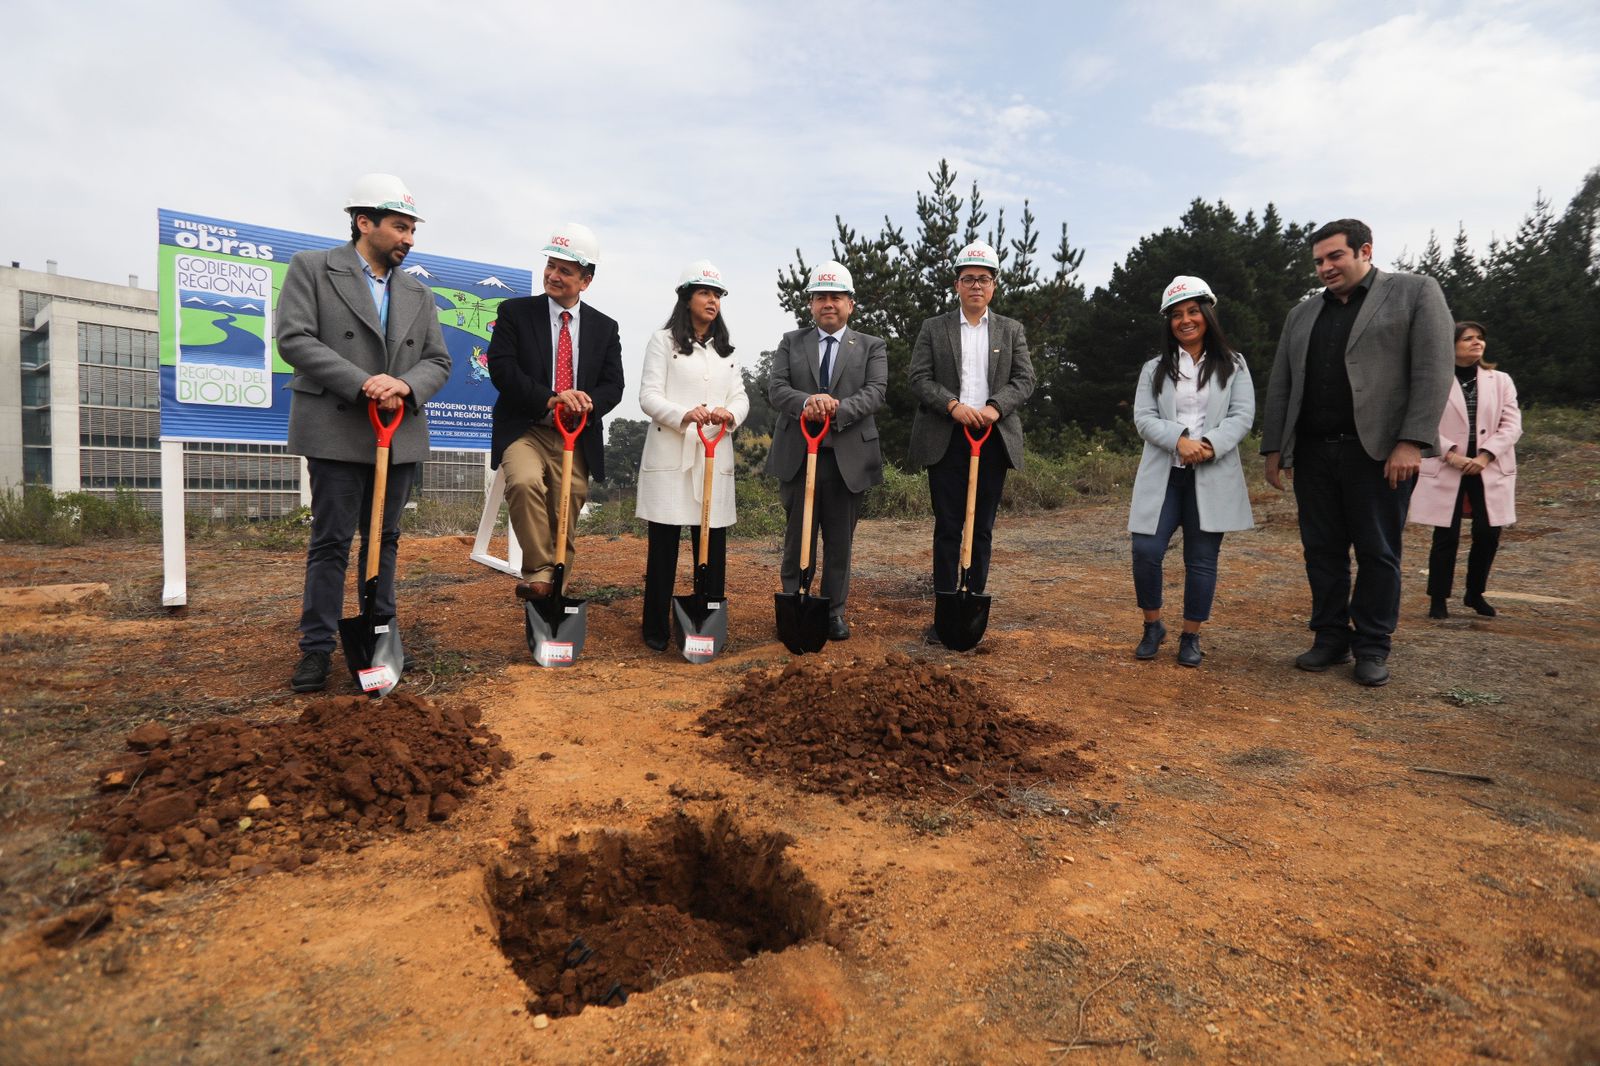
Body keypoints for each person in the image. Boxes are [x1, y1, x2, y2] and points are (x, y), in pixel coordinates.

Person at [276, 174, 453, 693]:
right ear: (364, 222)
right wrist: (364, 384)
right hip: (336, 425)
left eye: (412, 230)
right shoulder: (313, 268)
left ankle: (379, 637)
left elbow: (438, 360)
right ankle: (316, 648)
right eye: (400, 228)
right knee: (331, 540)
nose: (409, 239)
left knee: (387, 539)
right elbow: (294, 338)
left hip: (396, 432)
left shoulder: (418, 293)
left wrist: (402, 383)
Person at [1261, 218, 1454, 687]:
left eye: (1334, 257)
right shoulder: (1302, 314)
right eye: (1318, 262)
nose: (1325, 268)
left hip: (1380, 454)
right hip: (1313, 453)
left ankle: (1371, 645)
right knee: (1321, 551)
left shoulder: (1415, 292)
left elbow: (1433, 370)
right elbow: (1283, 383)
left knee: (1378, 552)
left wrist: (1411, 441)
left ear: (1364, 250)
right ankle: (1329, 636)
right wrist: (1273, 447)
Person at [487, 224, 625, 602]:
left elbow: (614, 386)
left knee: (569, 499)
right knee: (526, 482)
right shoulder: (515, 312)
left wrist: (587, 402)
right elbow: (501, 368)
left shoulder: (604, 328)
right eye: (551, 265)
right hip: (526, 427)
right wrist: (550, 399)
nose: (552, 275)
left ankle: (553, 593)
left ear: (586, 280)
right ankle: (542, 576)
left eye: (565, 270)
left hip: (574, 434)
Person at [907, 241, 1035, 644]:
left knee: (981, 529)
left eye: (983, 278)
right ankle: (945, 613)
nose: (975, 285)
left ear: (993, 286)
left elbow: (1025, 379)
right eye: (968, 279)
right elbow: (919, 378)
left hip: (992, 439)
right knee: (948, 527)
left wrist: (995, 408)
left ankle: (972, 610)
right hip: (947, 437)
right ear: (957, 285)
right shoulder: (935, 327)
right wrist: (953, 406)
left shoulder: (1011, 330)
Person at [1128, 276, 1256, 667]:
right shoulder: (1155, 368)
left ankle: (1190, 636)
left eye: (1193, 311)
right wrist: (1179, 439)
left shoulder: (1233, 364)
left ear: (1207, 314)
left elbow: (1242, 415)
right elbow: (1144, 417)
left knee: (1201, 559)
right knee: (1146, 550)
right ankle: (1153, 626)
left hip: (1210, 472)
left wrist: (1209, 445)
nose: (1185, 320)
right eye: (1177, 315)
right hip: (1165, 472)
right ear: (1168, 322)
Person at [765, 260, 888, 640]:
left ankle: (833, 610)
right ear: (811, 305)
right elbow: (778, 389)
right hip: (800, 456)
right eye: (820, 297)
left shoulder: (870, 345)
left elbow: (875, 392)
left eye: (836, 297)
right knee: (796, 536)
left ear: (851, 303)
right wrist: (809, 402)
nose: (828, 304)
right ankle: (794, 600)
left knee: (839, 542)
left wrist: (836, 407)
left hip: (847, 456)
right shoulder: (792, 341)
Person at [635, 260, 750, 650]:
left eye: (717, 294)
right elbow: (648, 395)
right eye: (704, 292)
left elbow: (740, 396)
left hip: (713, 456)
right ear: (686, 298)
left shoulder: (726, 351)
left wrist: (729, 414)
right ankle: (655, 627)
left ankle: (705, 619)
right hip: (672, 456)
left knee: (712, 546)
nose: (712, 300)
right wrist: (684, 414)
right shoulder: (662, 342)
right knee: (664, 548)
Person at [1409, 321, 1522, 618]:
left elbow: (1512, 424)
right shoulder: (1434, 380)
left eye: (1480, 338)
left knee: (1488, 533)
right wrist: (1450, 454)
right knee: (1446, 535)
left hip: (1489, 466)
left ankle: (1475, 593)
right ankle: (1438, 599)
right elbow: (1423, 421)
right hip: (1449, 465)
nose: (1477, 343)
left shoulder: (1500, 380)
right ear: (1451, 345)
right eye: (1468, 338)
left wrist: (1486, 456)